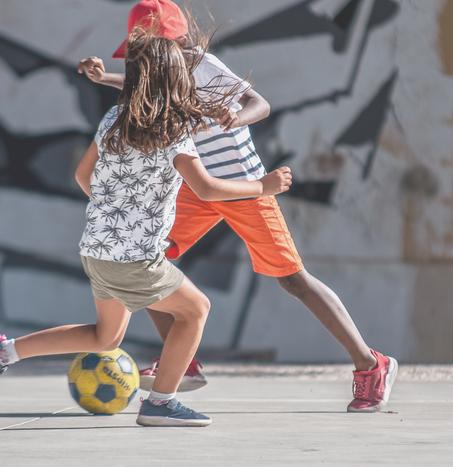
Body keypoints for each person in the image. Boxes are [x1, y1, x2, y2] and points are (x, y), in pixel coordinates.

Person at [78, 0, 398, 413]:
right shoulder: (159, 73)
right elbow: (146, 89)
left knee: (292, 279)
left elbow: (259, 104)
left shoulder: (203, 64)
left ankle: (372, 364)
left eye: (150, 51)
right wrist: (105, 78)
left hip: (244, 187)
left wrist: (237, 119)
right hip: (199, 188)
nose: (147, 61)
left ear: (175, 43)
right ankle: (183, 359)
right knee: (146, 262)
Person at [0, 30, 293, 427]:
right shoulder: (173, 129)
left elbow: (82, 174)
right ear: (175, 81)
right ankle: (160, 403)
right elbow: (206, 188)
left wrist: (113, 212)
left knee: (105, 338)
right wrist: (264, 186)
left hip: (96, 249)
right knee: (195, 311)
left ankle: (2, 352)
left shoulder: (114, 118)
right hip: (136, 259)